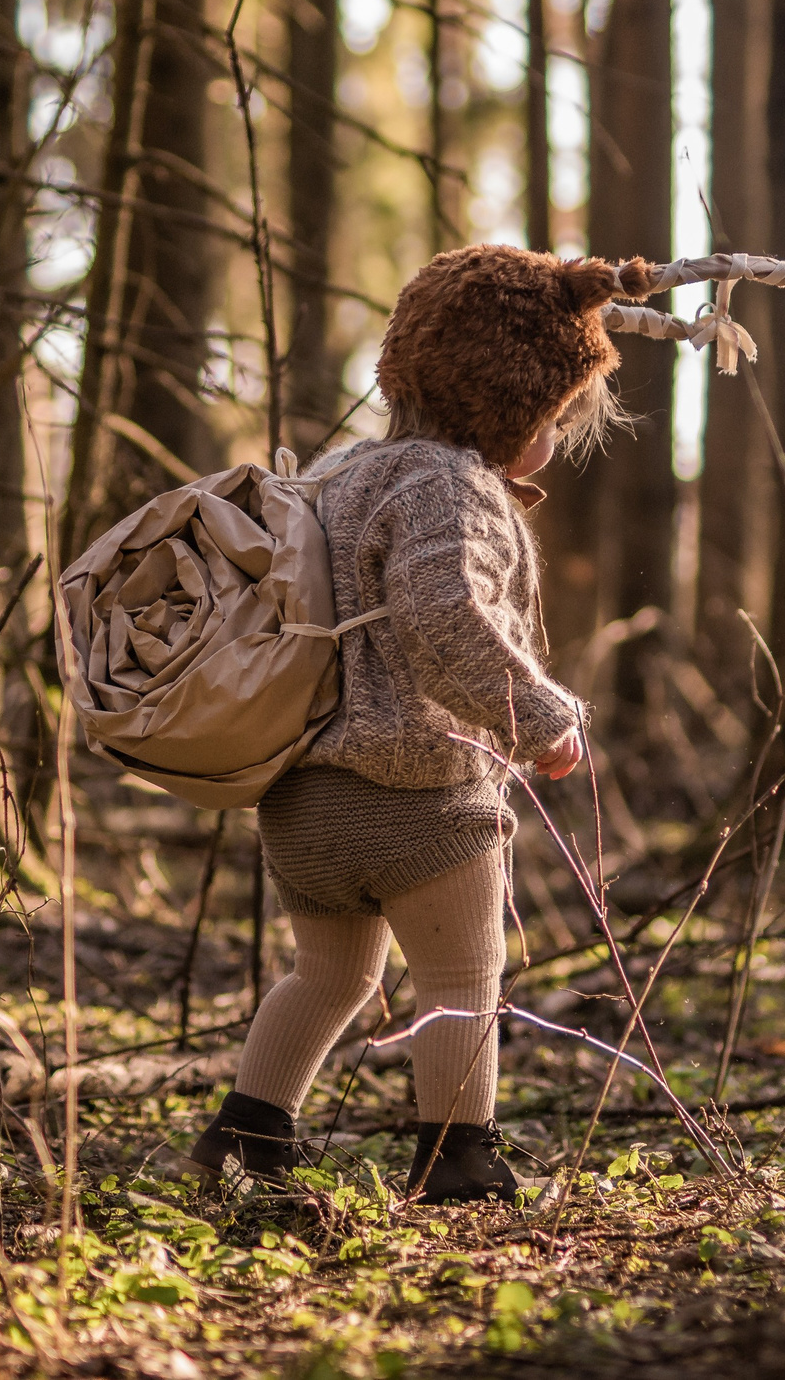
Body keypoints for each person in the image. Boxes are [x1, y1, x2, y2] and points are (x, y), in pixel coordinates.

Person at [186, 244, 661, 1203]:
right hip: (420, 798)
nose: (558, 439)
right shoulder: (451, 487)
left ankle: (247, 1132)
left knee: (329, 974)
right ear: (516, 403)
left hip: (303, 795)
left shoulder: (338, 474)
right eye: (558, 417)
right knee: (460, 980)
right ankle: (457, 1155)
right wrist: (540, 714)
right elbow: (446, 616)